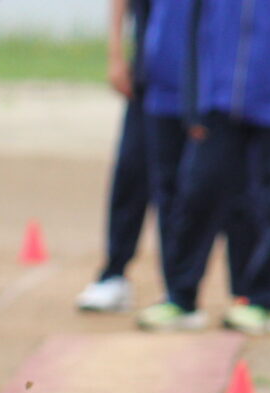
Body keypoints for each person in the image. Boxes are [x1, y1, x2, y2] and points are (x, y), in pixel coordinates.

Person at [136, 0, 270, 334]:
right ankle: (181, 297)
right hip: (219, 102)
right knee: (198, 193)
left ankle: (261, 300)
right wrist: (193, 103)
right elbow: (196, 30)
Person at [75, 0, 152, 313]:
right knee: (132, 174)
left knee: (208, 182)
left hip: (212, 79)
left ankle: (242, 290)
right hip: (152, 73)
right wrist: (116, 54)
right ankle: (114, 274)